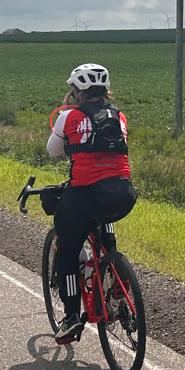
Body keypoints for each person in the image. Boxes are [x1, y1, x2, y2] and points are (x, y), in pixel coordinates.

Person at [44, 63, 137, 343]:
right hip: (122, 194)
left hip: (85, 195)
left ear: (77, 92)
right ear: (105, 91)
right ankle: (116, 272)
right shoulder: (119, 116)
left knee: (68, 250)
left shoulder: (68, 117)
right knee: (104, 217)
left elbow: (52, 151)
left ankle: (72, 317)